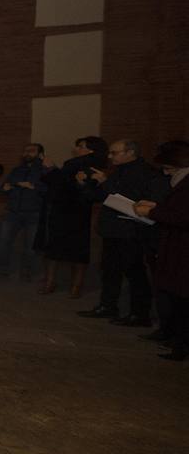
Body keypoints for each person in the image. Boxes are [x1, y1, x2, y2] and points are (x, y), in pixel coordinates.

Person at [77, 139, 169, 327]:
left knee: (134, 271)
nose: (110, 157)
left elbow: (130, 199)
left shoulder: (146, 173)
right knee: (110, 270)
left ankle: (139, 313)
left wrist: (105, 183)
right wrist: (84, 185)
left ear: (130, 153)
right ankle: (108, 305)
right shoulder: (119, 171)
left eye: (114, 153)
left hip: (131, 230)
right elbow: (101, 197)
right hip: (112, 229)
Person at [135, 141, 189, 360]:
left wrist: (153, 213)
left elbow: (183, 217)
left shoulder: (186, 185)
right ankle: (176, 339)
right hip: (176, 246)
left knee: (181, 299)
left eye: (168, 169)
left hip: (182, 249)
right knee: (176, 297)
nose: (166, 174)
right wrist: (157, 208)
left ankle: (181, 345)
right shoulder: (182, 183)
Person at [38, 136, 107, 297]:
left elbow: (64, 185)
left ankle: (61, 285)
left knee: (67, 250)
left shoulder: (80, 165)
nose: (76, 149)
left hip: (70, 210)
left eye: (80, 146)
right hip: (73, 211)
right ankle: (70, 286)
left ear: (91, 150)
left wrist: (50, 169)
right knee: (66, 250)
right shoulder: (82, 164)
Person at [0, 144, 47, 281]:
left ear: (40, 154)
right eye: (25, 151)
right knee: (4, 241)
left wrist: (34, 186)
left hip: (34, 212)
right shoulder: (17, 170)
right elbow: (3, 189)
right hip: (13, 211)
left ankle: (26, 271)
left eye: (31, 151)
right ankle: (3, 268)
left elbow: (51, 190)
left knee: (30, 245)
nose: (27, 153)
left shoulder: (45, 171)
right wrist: (6, 188)